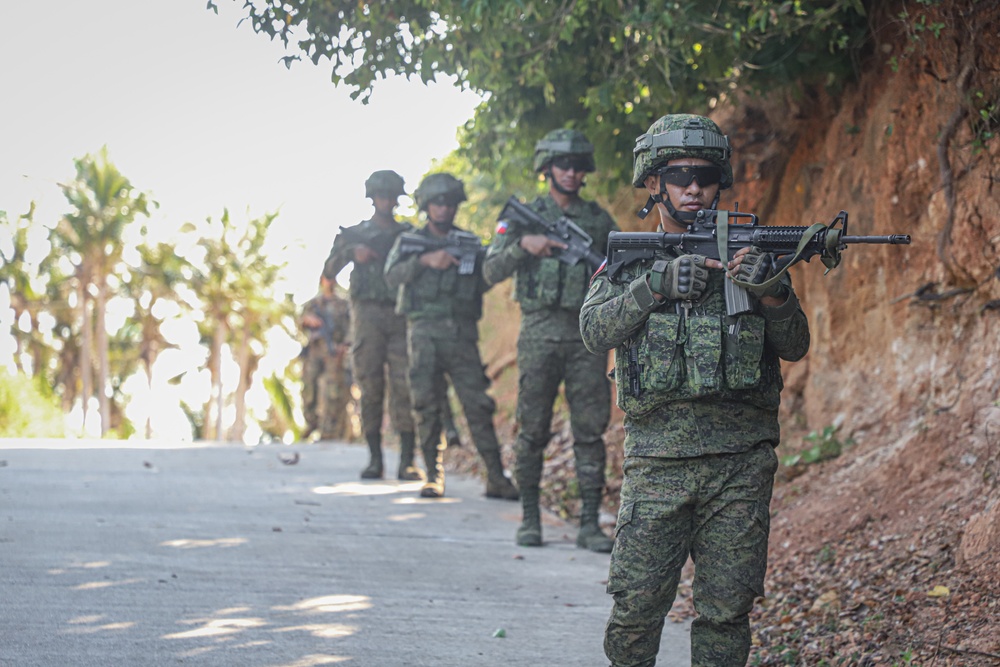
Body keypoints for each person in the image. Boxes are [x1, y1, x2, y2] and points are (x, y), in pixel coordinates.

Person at [579, 114, 811, 666]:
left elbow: (796, 345)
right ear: (654, 183)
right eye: (679, 175)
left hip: (741, 463)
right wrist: (652, 288)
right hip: (659, 461)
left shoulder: (755, 255)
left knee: (727, 612)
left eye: (706, 176)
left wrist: (772, 290)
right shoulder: (631, 260)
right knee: (636, 608)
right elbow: (593, 332)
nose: (693, 188)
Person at [483, 128, 619, 552]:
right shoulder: (524, 217)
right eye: (563, 164)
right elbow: (490, 271)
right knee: (532, 428)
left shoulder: (597, 221)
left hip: (586, 334)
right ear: (547, 168)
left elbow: (619, 270)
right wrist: (525, 245)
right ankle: (529, 518)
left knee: (590, 429)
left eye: (579, 166)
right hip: (539, 333)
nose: (571, 172)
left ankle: (589, 525)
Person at [384, 172, 519, 500]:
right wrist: (425, 261)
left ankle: (495, 475)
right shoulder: (409, 243)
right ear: (426, 206)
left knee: (477, 405)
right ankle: (433, 475)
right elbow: (391, 276)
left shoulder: (469, 242)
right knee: (426, 405)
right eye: (437, 202)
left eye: (449, 203)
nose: (443, 209)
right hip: (424, 335)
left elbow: (486, 278)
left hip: (461, 336)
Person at [322, 170, 422, 480]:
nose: (386, 201)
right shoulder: (354, 234)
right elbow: (328, 269)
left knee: (405, 387)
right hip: (366, 317)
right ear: (372, 199)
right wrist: (353, 252)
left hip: (401, 314)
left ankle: (406, 459)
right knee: (370, 386)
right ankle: (375, 458)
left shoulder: (408, 234)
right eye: (381, 195)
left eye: (391, 196)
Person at [299, 275, 353, 441]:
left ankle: (329, 430)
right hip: (315, 350)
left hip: (333, 352)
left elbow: (351, 326)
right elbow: (300, 322)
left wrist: (344, 345)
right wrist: (308, 321)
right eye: (327, 279)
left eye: (332, 279)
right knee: (309, 387)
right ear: (322, 280)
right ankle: (311, 421)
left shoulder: (343, 304)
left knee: (333, 391)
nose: (329, 282)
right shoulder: (313, 304)